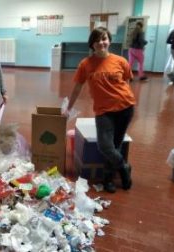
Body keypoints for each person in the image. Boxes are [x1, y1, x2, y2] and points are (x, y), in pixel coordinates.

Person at [67, 27, 135, 193]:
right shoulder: (86, 64)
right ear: (92, 44)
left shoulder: (120, 61)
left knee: (115, 146)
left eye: (104, 39)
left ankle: (108, 179)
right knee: (106, 146)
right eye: (97, 40)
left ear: (109, 40)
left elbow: (127, 82)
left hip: (125, 108)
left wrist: (125, 99)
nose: (101, 43)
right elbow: (77, 87)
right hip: (104, 111)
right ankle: (124, 167)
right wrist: (69, 107)